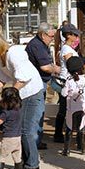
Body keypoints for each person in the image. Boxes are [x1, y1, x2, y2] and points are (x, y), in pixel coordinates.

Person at [0, 31, 44, 169]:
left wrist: (8, 96)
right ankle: (24, 162)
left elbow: (23, 78)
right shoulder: (2, 57)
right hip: (22, 95)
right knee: (20, 130)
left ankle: (32, 164)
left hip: (32, 92)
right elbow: (3, 77)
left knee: (26, 131)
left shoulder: (14, 53)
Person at [25, 22, 61, 150]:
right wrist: (57, 69)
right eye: (51, 36)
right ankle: (34, 142)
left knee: (39, 112)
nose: (52, 39)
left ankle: (37, 140)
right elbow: (45, 67)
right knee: (37, 113)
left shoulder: (41, 44)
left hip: (41, 81)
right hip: (38, 82)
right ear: (42, 34)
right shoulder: (38, 46)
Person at [54, 24, 81, 143]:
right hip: (67, 81)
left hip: (69, 80)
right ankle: (59, 134)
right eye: (74, 34)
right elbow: (71, 65)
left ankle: (61, 133)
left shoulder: (67, 48)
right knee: (64, 109)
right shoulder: (66, 49)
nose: (76, 36)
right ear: (68, 35)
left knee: (66, 108)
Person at [0, 87, 23, 169]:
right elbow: (6, 103)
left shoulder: (6, 112)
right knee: (17, 158)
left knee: (2, 157)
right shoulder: (19, 109)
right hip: (18, 137)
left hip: (8, 138)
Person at [61, 56, 85, 156]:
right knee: (82, 128)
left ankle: (66, 150)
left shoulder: (69, 80)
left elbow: (63, 94)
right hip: (82, 108)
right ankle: (83, 149)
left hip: (71, 108)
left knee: (69, 129)